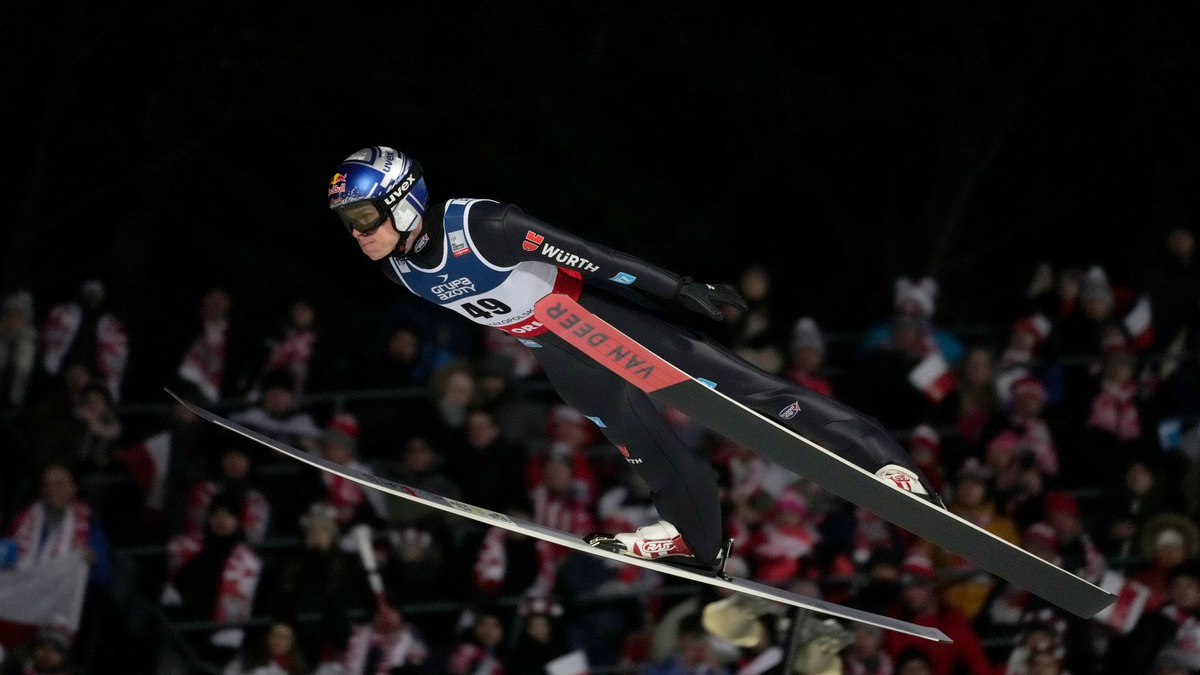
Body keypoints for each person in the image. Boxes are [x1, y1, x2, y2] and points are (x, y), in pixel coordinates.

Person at [326, 146, 940, 569]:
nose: (356, 233)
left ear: (404, 199)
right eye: (347, 223)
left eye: (362, 215)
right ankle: (697, 538)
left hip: (595, 316)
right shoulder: (399, 271)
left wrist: (677, 288)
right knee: (642, 443)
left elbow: (589, 254)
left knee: (747, 390)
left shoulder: (482, 226)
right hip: (554, 351)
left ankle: (885, 463)